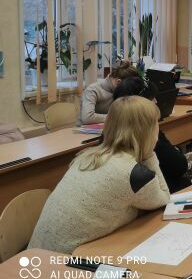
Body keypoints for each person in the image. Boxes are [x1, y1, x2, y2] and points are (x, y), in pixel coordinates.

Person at [29, 96, 170, 254]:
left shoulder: (86, 156)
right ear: (148, 131)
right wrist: (149, 154)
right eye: (156, 124)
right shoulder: (134, 174)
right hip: (63, 261)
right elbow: (164, 198)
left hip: (36, 255)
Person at [113, 77, 192, 192]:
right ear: (141, 104)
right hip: (165, 187)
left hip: (154, 183)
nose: (156, 101)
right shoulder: (147, 133)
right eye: (152, 98)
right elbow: (179, 166)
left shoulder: (112, 131)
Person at [77, 60, 139, 125]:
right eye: (129, 86)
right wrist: (117, 117)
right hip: (85, 130)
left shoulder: (121, 90)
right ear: (119, 82)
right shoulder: (93, 90)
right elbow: (87, 118)